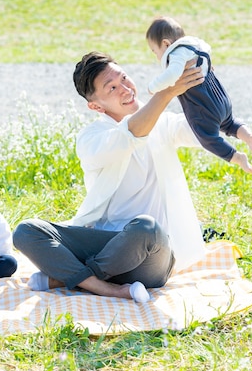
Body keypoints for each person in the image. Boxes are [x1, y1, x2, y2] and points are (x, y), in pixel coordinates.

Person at [13, 51, 206, 303]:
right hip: (106, 244)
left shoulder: (163, 123)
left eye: (124, 78)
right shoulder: (91, 138)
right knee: (26, 231)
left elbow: (203, 129)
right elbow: (129, 135)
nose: (126, 89)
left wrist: (198, 74)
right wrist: (165, 93)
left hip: (152, 255)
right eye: (112, 87)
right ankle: (108, 288)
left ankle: (70, 279)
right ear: (95, 106)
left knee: (146, 227)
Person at [146, 16, 252, 174]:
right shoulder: (194, 45)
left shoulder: (175, 53)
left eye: (155, 51)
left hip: (202, 103)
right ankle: (249, 137)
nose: (157, 57)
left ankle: (237, 157)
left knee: (207, 138)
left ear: (166, 44)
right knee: (229, 123)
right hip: (219, 96)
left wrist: (154, 87)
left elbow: (172, 74)